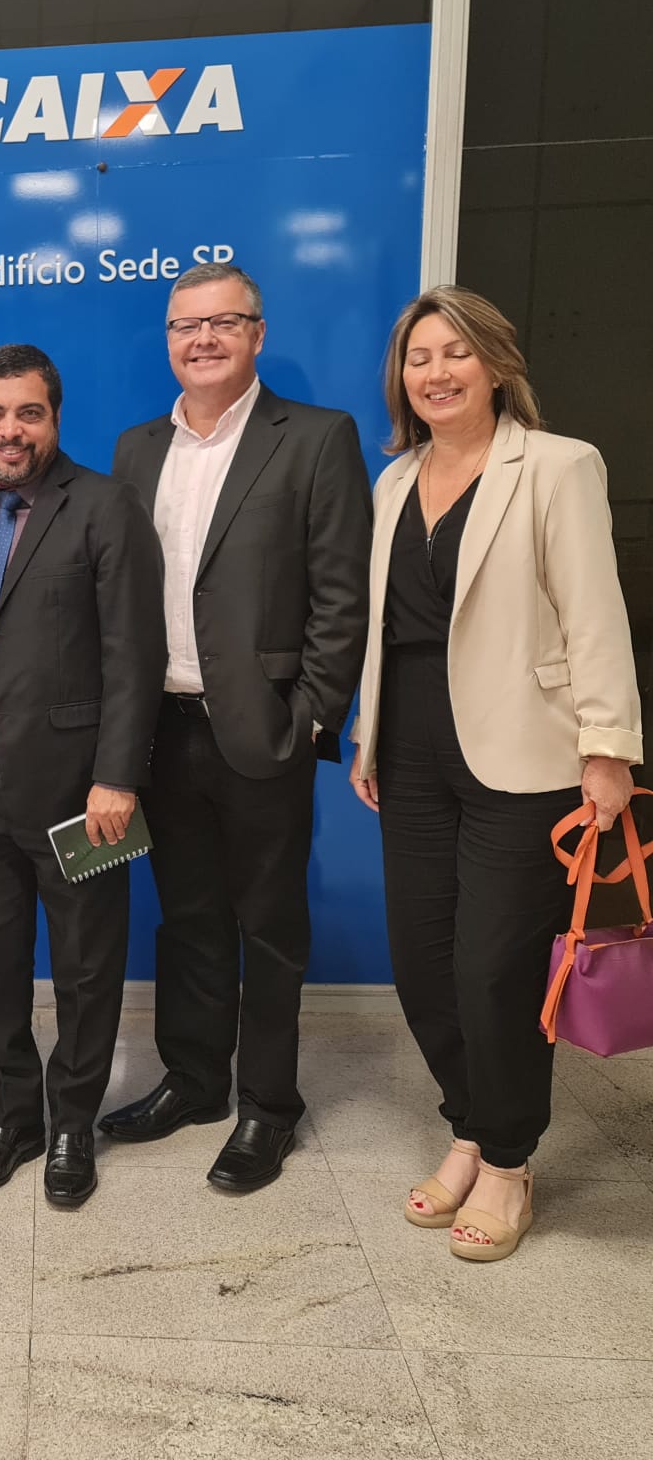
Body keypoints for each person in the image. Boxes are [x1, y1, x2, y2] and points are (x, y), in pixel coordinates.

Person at [350, 285, 641, 1260]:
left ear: (495, 363)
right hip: (410, 750)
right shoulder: (391, 481)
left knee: (491, 966)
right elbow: (383, 632)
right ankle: (468, 1122)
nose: (433, 372)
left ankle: (508, 1159)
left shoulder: (556, 466)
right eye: (417, 357)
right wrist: (367, 737)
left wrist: (605, 748)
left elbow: (592, 611)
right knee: (419, 958)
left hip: (523, 749)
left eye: (452, 353)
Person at [100, 262, 372, 1193]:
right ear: (168, 339)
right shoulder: (137, 448)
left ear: (257, 333)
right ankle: (195, 1080)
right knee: (189, 922)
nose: (202, 339)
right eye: (185, 326)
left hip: (263, 730)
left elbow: (342, 600)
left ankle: (267, 1108)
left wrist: (308, 720)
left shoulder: (316, 438)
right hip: (160, 732)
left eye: (222, 322)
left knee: (270, 927)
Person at [0, 344, 161, 1208]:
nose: (10, 430)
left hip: (82, 791)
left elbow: (134, 656)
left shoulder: (105, 506)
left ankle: (72, 1123)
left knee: (87, 964)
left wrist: (118, 777)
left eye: (28, 412)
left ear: (55, 418)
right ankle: (13, 1114)